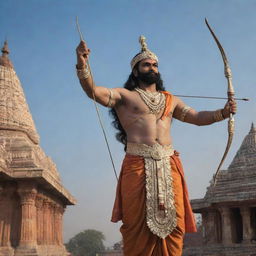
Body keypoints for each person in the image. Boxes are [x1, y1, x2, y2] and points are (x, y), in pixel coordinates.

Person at [75, 36, 237, 256]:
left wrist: (223, 113)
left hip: (169, 164)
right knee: (136, 224)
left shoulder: (170, 100)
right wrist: (82, 64)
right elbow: (92, 91)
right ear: (135, 71)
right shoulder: (125, 96)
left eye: (155, 65)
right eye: (146, 64)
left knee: (176, 224)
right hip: (137, 164)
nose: (152, 68)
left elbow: (197, 117)